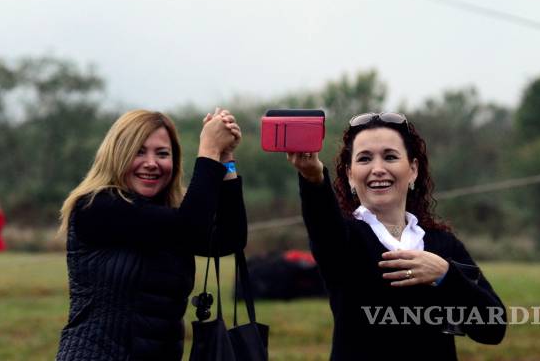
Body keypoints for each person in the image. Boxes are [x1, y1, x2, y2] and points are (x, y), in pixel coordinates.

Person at [287, 111, 506, 360]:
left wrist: (446, 276)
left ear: (412, 169)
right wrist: (312, 176)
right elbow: (322, 222)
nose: (378, 169)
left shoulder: (443, 245)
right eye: (365, 159)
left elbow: (493, 328)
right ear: (349, 174)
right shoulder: (345, 239)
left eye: (390, 157)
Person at [56, 108, 247, 361]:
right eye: (138, 152)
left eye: (162, 154)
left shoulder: (166, 219)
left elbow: (228, 239)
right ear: (117, 155)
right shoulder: (97, 206)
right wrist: (208, 151)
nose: (151, 163)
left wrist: (225, 160)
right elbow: (189, 228)